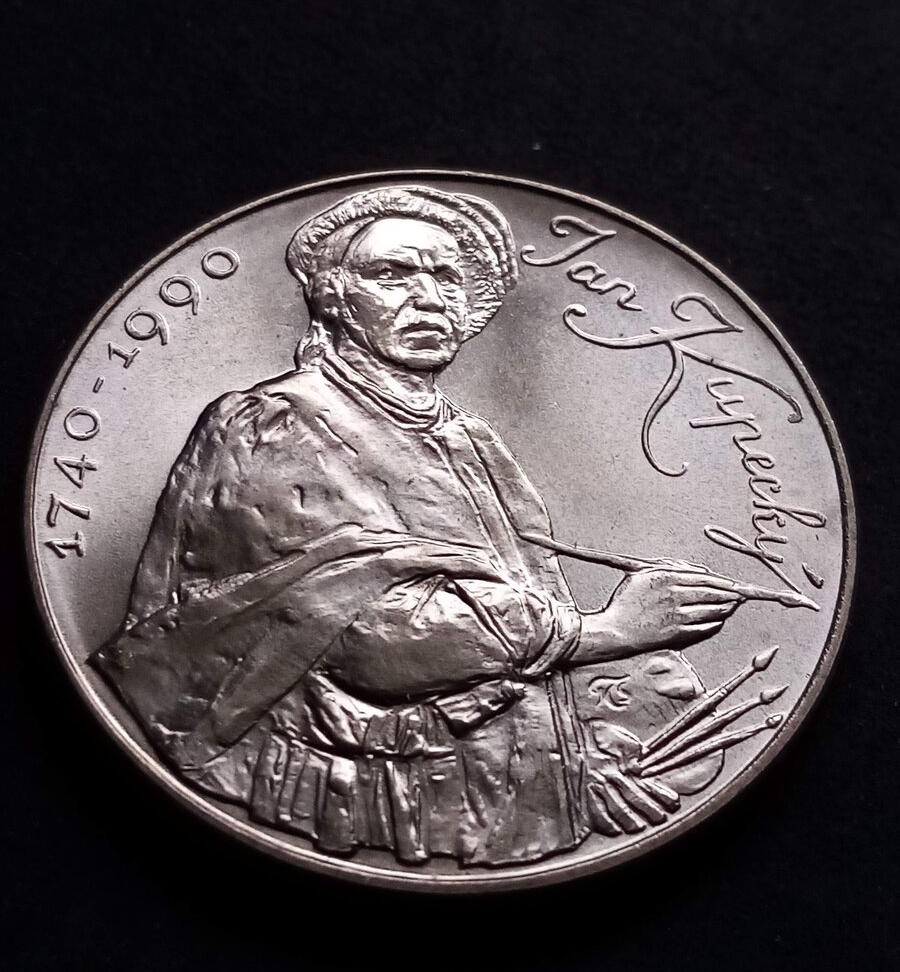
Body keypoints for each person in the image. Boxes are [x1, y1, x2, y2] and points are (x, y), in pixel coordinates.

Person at [92, 185, 742, 866]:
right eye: (393, 273)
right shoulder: (275, 422)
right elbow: (372, 637)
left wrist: (572, 762)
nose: (429, 297)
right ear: (334, 298)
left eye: (447, 278)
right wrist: (605, 631)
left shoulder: (470, 438)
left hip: (494, 788)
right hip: (364, 788)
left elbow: (523, 597)